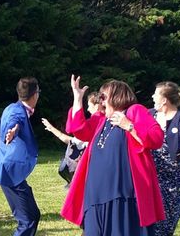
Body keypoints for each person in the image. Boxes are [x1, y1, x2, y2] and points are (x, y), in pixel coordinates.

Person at [61, 75, 165, 235]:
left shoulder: (134, 111)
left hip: (122, 195)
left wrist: (129, 126)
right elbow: (78, 129)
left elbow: (156, 138)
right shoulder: (101, 120)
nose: (100, 101)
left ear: (117, 96)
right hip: (95, 196)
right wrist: (77, 98)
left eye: (103, 97)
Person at [0, 77, 41, 236]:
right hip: (11, 173)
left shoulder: (10, 107)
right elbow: (16, 121)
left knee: (33, 215)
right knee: (28, 220)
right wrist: (13, 130)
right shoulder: (16, 111)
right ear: (35, 95)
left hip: (10, 171)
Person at [150, 81, 180, 236]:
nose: (152, 96)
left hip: (175, 174)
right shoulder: (150, 115)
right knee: (152, 209)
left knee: (170, 211)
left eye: (156, 94)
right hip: (152, 173)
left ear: (164, 100)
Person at [42, 92, 104, 186]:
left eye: (89, 105)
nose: (88, 109)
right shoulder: (104, 122)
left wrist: (77, 98)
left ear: (97, 106)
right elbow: (72, 141)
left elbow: (72, 138)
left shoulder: (94, 123)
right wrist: (51, 128)